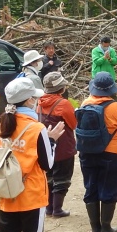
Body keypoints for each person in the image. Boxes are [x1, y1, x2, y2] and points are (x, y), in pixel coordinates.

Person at [0, 78, 64, 232]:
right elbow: (48, 164)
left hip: (7, 195)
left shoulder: (2, 126)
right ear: (28, 100)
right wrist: (52, 141)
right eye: (34, 97)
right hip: (32, 196)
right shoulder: (37, 129)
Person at [78, 72, 117, 232]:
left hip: (87, 151)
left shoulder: (85, 103)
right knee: (109, 187)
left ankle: (95, 227)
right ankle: (106, 227)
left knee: (90, 186)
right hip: (111, 154)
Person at [38, 72, 77, 218]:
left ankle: (48, 208)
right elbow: (73, 124)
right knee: (63, 178)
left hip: (46, 146)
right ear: (61, 89)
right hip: (64, 146)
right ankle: (57, 209)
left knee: (49, 177)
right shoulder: (63, 104)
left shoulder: (39, 102)